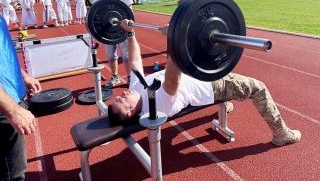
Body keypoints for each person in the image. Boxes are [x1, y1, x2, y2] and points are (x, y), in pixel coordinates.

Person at [107, 20, 302, 147]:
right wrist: (175, 40)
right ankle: (281, 134)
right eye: (121, 101)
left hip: (196, 71)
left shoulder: (135, 89)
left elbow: (134, 62)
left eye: (118, 97)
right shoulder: (156, 108)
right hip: (212, 85)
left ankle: (226, 103)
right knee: (258, 87)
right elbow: (172, 78)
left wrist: (130, 33)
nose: (122, 95)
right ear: (131, 112)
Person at [0, 13, 42, 180]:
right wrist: (13, 111)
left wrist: (22, 76)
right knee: (12, 175)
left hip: (9, 99)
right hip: (4, 107)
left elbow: (4, 52)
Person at [93, 0, 133, 88]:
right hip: (106, 30)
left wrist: (129, 25)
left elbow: (129, 8)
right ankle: (115, 77)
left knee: (126, 55)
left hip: (121, 29)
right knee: (111, 55)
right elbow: (95, 10)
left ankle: (130, 78)